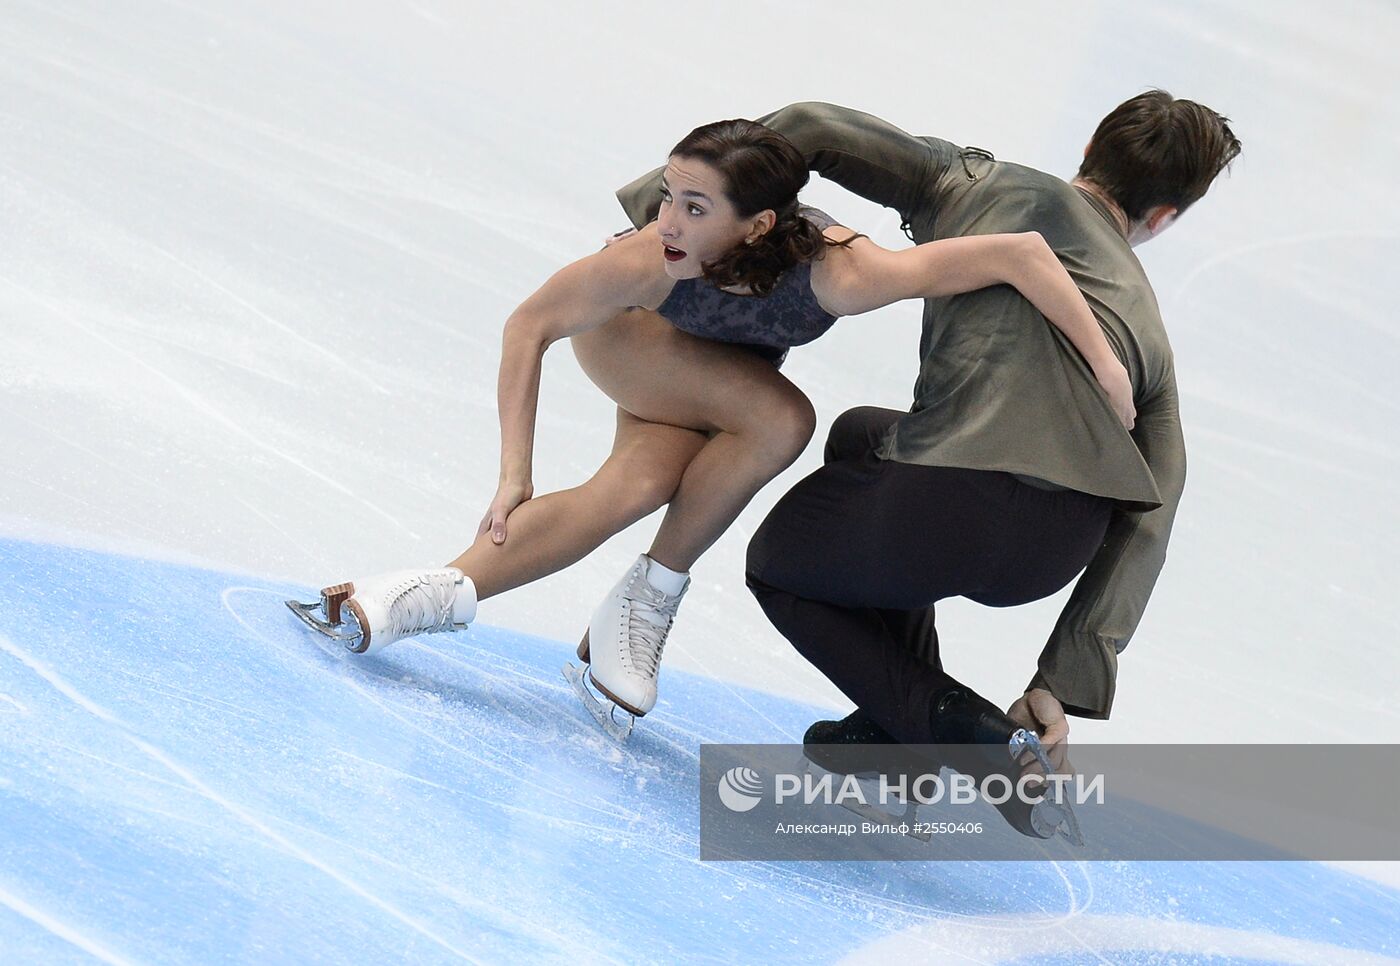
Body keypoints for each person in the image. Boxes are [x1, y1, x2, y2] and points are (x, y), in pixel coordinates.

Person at [288, 118, 1133, 734]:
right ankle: (650, 600)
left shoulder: (839, 272)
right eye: (667, 196)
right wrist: (514, 471)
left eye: (695, 208)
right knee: (783, 415)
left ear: (758, 225)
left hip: (713, 383)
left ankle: (417, 595)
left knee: (640, 485)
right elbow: (529, 326)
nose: (667, 223)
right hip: (635, 350)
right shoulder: (641, 262)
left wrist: (1106, 366)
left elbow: (1021, 253)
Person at [617, 93, 1239, 755]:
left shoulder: (976, 184)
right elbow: (1156, 508)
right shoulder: (1151, 333)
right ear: (1166, 216)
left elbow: (810, 128)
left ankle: (961, 732)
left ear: (1088, 150)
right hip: (1051, 550)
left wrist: (650, 224)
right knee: (860, 434)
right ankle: (895, 741)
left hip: (947, 501)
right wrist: (1065, 673)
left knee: (781, 565)